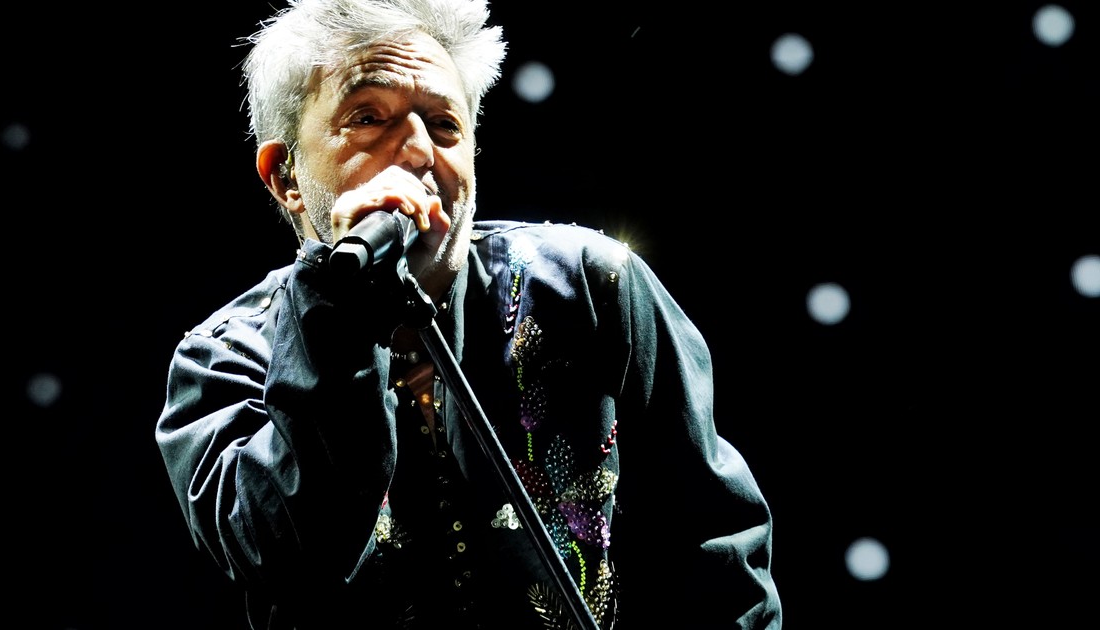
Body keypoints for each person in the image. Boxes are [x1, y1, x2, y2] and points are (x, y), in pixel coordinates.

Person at [154, 1, 783, 628]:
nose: (418, 151)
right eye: (368, 117)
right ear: (285, 175)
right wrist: (338, 317)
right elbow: (285, 558)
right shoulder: (224, 359)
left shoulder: (592, 286)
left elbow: (716, 547)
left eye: (444, 124)